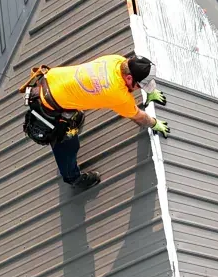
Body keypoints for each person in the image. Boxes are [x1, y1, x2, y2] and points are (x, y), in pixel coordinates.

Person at [25, 53, 170, 193]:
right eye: (140, 86)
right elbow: (138, 116)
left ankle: (72, 116)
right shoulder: (117, 94)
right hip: (48, 105)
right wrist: (154, 123)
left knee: (76, 111)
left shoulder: (117, 60)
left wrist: (151, 93)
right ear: (129, 77)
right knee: (69, 145)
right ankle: (73, 178)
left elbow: (131, 83)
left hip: (50, 80)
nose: (140, 89)